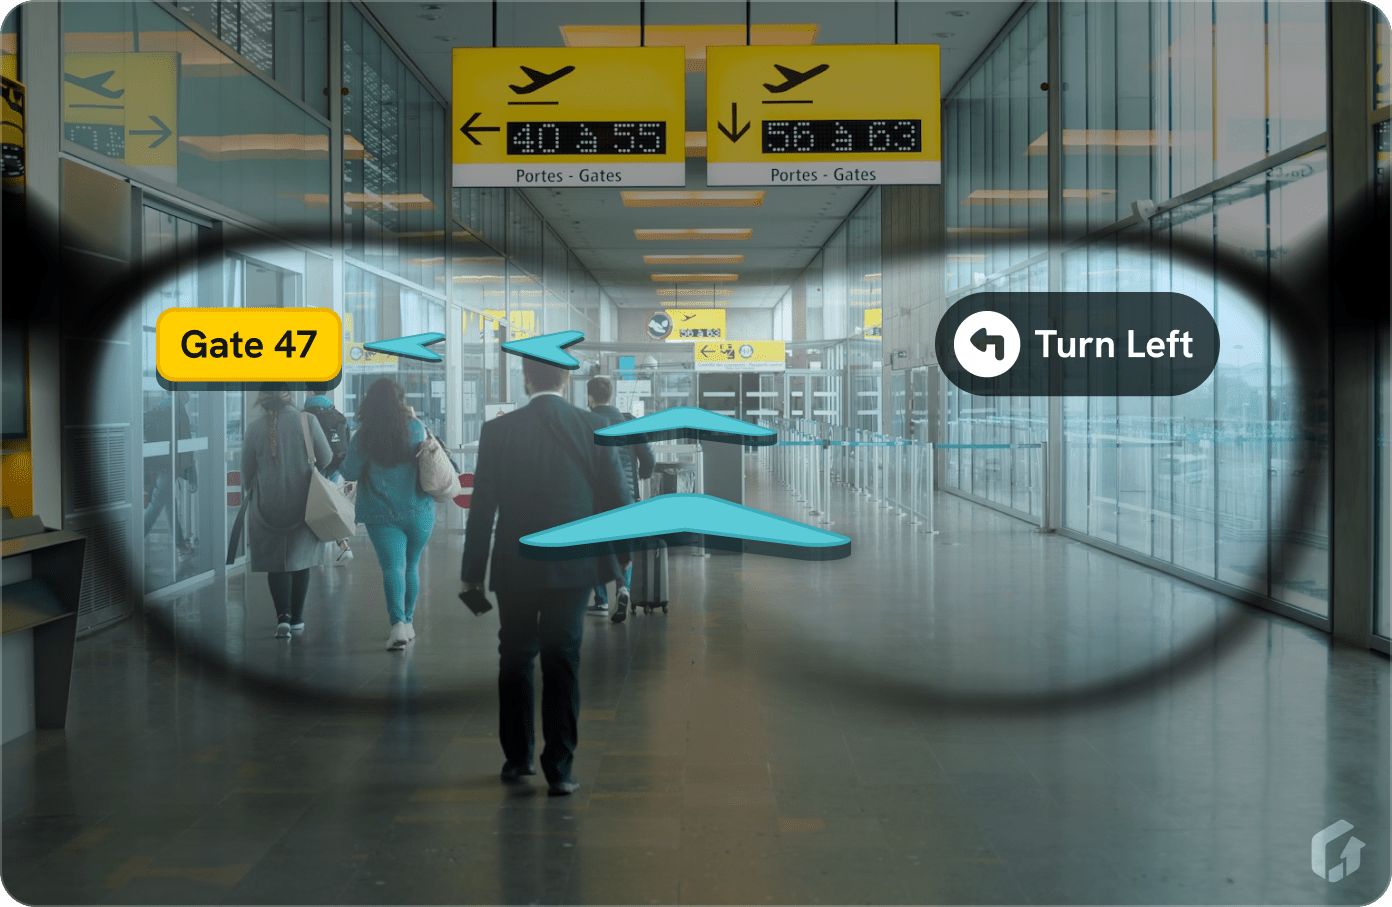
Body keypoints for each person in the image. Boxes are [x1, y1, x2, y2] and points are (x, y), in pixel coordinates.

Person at [462, 359, 632, 796]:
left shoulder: (499, 431)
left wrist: (471, 575)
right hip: (574, 565)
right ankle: (560, 768)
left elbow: (482, 507)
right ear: (567, 379)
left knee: (515, 657)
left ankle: (517, 759)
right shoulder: (593, 426)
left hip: (514, 564)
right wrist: (624, 557)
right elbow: (616, 497)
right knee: (563, 657)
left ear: (525, 378)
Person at [339, 378, 436, 651]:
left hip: (382, 516)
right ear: (399, 401)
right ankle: (409, 621)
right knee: (411, 565)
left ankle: (398, 627)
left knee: (393, 567)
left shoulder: (363, 437)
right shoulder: (415, 428)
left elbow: (349, 472)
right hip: (419, 511)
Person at [241, 389, 332, 638]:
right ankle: (298, 619)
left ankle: (283, 617)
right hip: (303, 503)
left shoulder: (255, 427)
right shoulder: (307, 421)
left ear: (262, 398)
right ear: (289, 395)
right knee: (300, 561)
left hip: (267, 507)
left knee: (276, 563)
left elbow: (246, 472)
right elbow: (326, 457)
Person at [585, 375, 654, 623]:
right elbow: (649, 459)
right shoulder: (629, 421)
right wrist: (641, 477)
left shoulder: (586, 423)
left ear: (590, 398)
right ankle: (623, 590)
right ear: (611, 395)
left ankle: (601, 600)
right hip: (627, 496)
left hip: (596, 498)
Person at [143, 390, 198, 557]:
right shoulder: (179, 411)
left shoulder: (160, 407)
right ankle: (132, 542)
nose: (188, 394)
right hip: (169, 467)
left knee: (169, 506)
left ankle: (181, 545)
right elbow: (185, 445)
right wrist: (192, 476)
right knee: (156, 506)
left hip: (157, 465)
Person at [304, 394, 355, 565]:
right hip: (335, 465)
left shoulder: (307, 416)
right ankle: (344, 545)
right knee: (330, 505)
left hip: (316, 467)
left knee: (314, 508)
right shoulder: (337, 414)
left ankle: (319, 552)